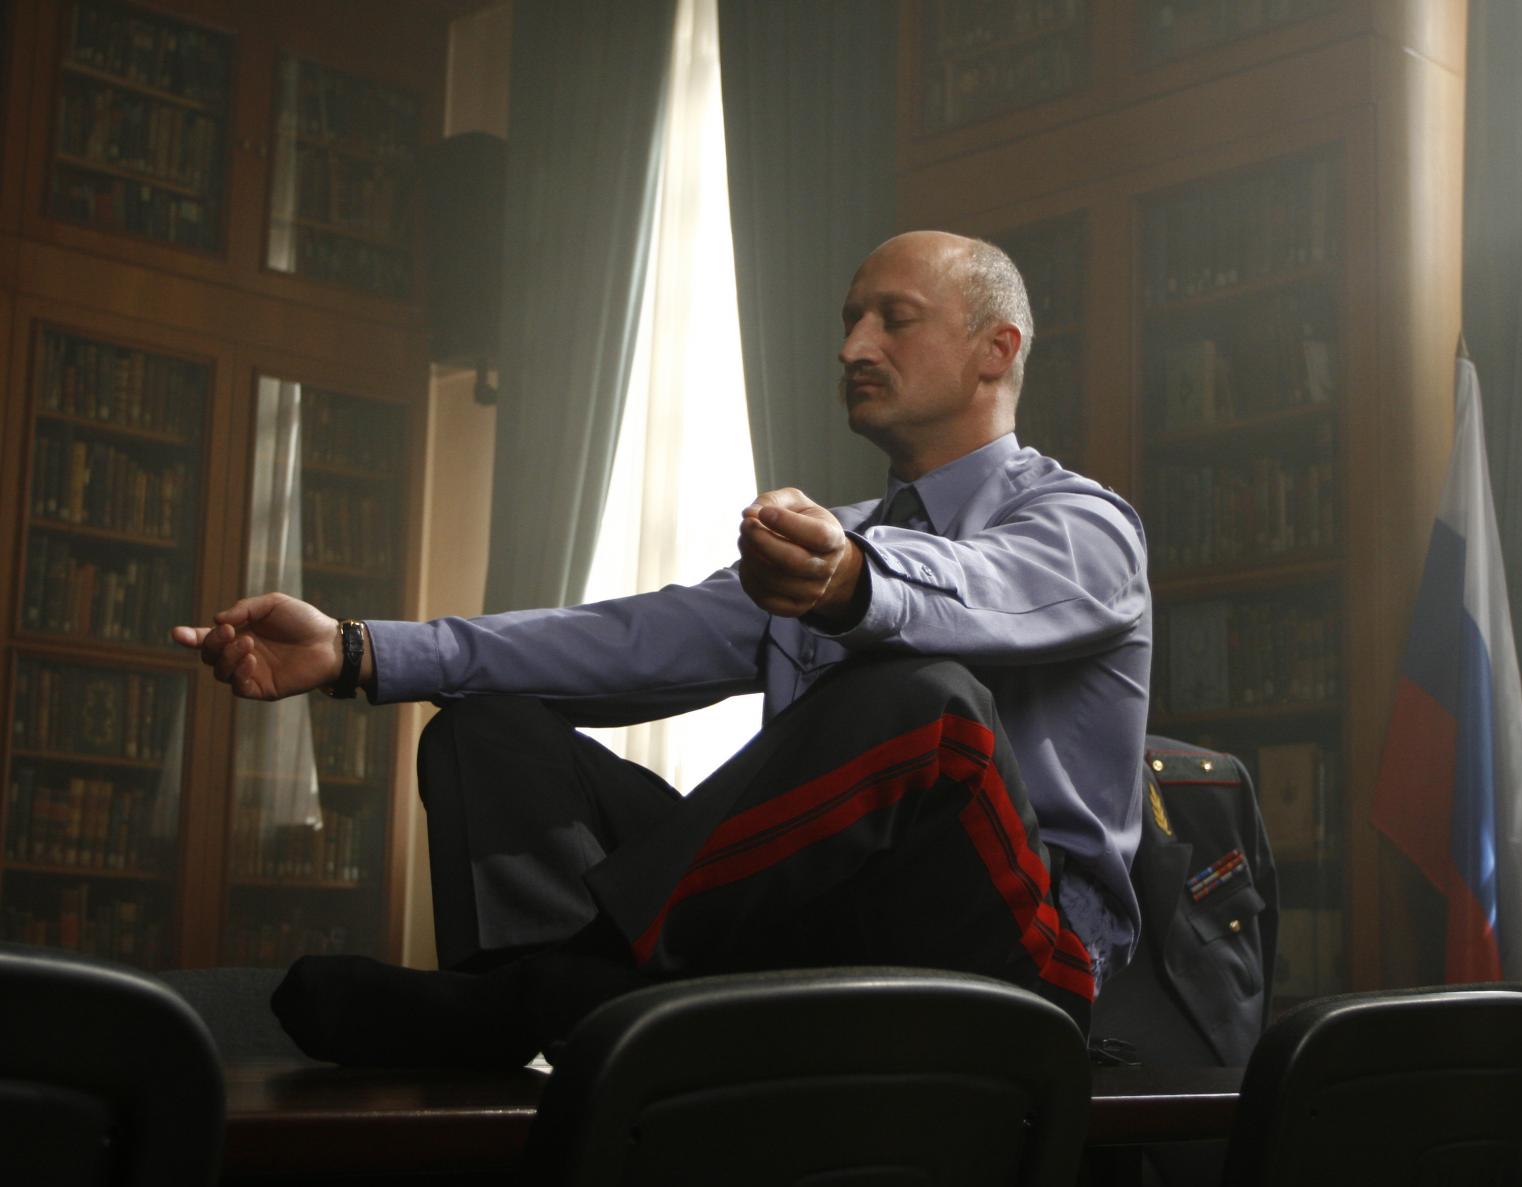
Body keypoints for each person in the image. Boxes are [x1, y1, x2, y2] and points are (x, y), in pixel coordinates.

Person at [173, 230, 1152, 1067]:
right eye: (851, 320)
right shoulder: (831, 538)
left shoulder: (1084, 527)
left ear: (995, 349)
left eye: (894, 319)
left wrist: (853, 581)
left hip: (1028, 957)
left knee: (924, 697)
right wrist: (355, 652)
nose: (853, 345)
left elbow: (973, 587)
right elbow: (626, 640)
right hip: (810, 933)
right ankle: (568, 1018)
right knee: (489, 730)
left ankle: (543, 999)